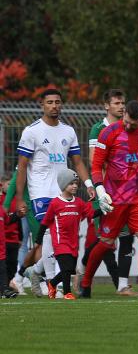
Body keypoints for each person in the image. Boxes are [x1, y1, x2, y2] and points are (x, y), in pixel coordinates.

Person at [15, 88, 95, 297]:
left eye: (57, 102)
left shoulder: (68, 131)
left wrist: (88, 184)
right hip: (40, 192)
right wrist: (19, 198)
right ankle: (57, 286)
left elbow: (77, 161)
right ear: (42, 105)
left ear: (62, 104)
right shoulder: (32, 131)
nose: (54, 106)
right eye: (49, 102)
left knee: (60, 240)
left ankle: (29, 273)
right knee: (51, 238)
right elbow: (22, 167)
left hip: (63, 192)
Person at [80, 100, 138, 299]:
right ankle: (86, 283)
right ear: (123, 115)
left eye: (134, 122)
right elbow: (96, 166)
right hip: (114, 199)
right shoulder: (108, 133)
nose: (129, 125)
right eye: (127, 120)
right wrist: (100, 190)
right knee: (105, 242)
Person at [84, 88, 129, 295]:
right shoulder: (98, 129)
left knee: (128, 237)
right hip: (106, 192)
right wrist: (99, 188)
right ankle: (80, 275)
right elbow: (96, 161)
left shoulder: (128, 128)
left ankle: (122, 285)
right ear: (107, 106)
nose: (121, 107)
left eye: (123, 103)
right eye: (117, 103)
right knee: (103, 241)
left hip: (127, 193)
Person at [42, 169, 98, 300]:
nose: (75, 186)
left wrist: (104, 210)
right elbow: (45, 221)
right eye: (71, 183)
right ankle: (67, 292)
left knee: (70, 269)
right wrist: (39, 239)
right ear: (63, 185)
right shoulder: (55, 202)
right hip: (60, 241)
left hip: (73, 242)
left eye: (76, 183)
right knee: (66, 267)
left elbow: (90, 213)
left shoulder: (78, 202)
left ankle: (52, 283)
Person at [4, 171, 42, 296]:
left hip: (32, 208)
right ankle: (26, 277)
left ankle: (21, 277)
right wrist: (6, 207)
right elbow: (15, 182)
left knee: (38, 244)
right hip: (29, 209)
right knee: (36, 244)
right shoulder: (25, 162)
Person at [1, 175, 24, 294]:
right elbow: (6, 219)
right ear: (2, 184)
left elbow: (18, 219)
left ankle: (7, 286)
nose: (11, 187)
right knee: (3, 266)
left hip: (14, 239)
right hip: (3, 239)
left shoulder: (16, 200)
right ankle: (4, 288)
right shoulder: (2, 200)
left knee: (12, 266)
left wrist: (20, 237)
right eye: (9, 184)